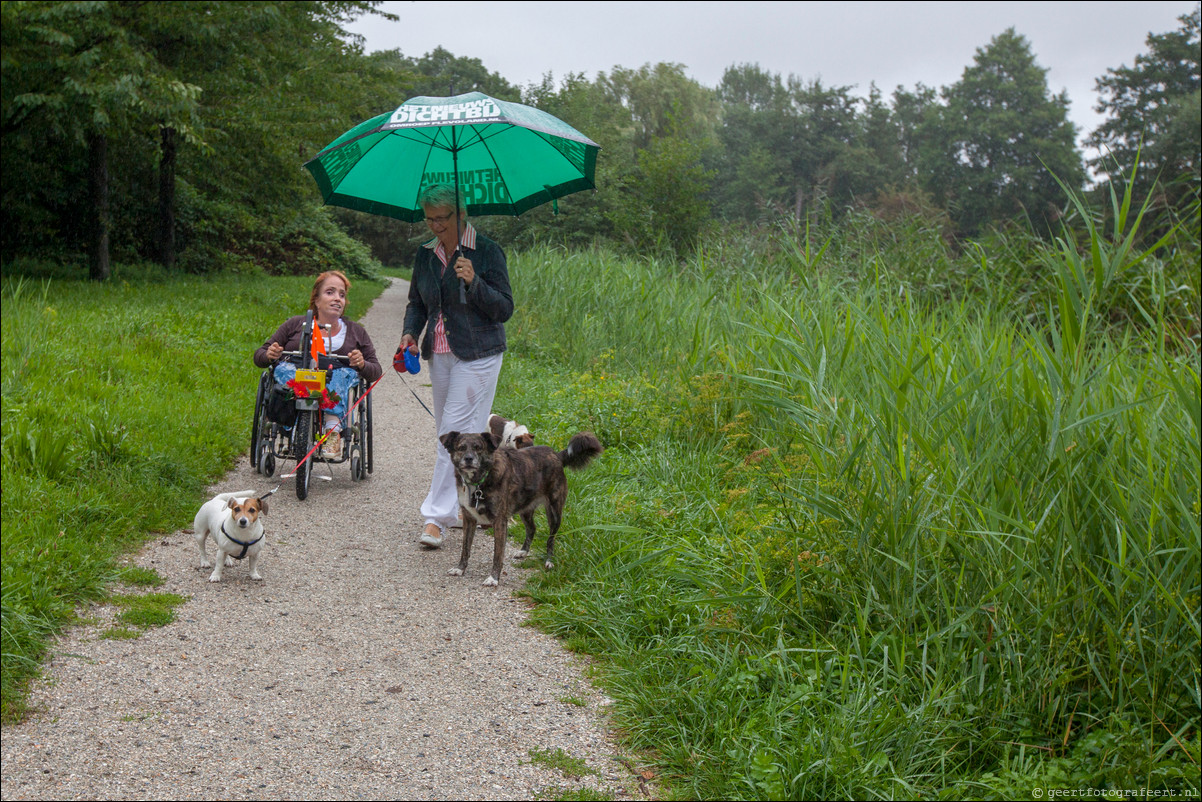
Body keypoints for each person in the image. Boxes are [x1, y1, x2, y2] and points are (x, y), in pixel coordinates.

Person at [400, 184, 513, 548]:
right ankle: (480, 502)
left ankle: (436, 517)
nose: (434, 225)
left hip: (479, 353)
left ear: (461, 214)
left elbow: (504, 309)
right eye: (429, 218)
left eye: (442, 218)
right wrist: (409, 334)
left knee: (449, 436)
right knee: (465, 435)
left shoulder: (488, 251)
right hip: (441, 353)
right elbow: (417, 302)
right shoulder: (426, 255)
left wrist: (474, 281)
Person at [254, 270, 382, 459]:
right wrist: (270, 354)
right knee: (283, 370)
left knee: (342, 376)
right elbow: (260, 356)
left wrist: (362, 364)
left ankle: (332, 433)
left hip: (334, 377)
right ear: (316, 299)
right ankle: (287, 423)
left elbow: (376, 371)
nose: (337, 298)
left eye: (342, 294)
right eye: (330, 292)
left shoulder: (356, 332)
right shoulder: (295, 324)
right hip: (296, 376)